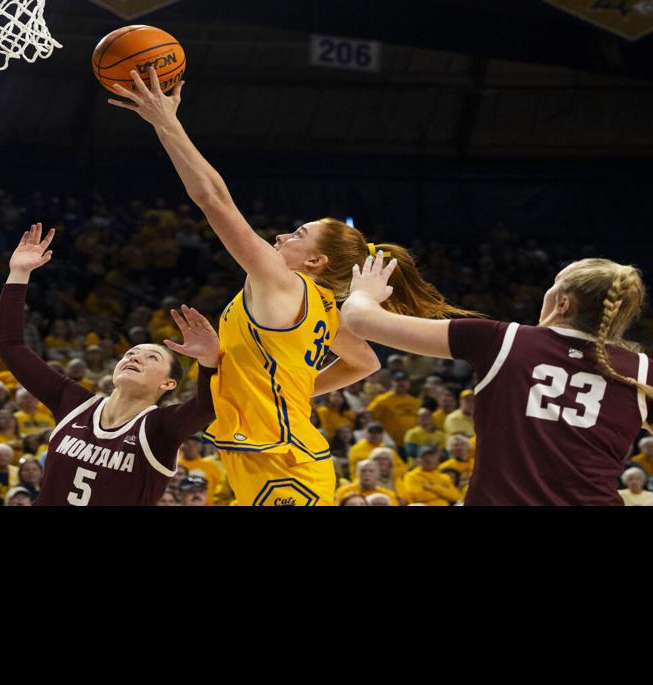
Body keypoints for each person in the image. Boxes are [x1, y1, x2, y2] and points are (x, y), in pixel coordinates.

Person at [117, 68, 494, 506]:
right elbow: (365, 363)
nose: (280, 237)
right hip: (271, 455)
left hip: (282, 462)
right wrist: (294, 389)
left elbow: (213, 199)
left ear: (315, 261)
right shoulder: (322, 308)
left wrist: (167, 122)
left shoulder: (281, 283)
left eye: (297, 234)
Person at [338, 255, 653, 505]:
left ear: (562, 302)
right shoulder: (642, 371)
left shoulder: (504, 339)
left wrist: (365, 292)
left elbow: (361, 320)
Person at [0, 223, 222, 505]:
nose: (134, 357)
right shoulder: (75, 403)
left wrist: (209, 361)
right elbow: (9, 344)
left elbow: (207, 406)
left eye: (152, 357)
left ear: (169, 383)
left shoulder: (160, 428)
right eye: (130, 353)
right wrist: (19, 273)